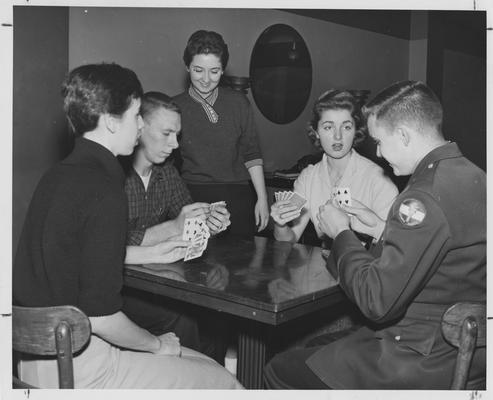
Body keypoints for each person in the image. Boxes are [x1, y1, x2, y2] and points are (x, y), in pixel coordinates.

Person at [13, 63, 242, 389]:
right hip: (81, 368)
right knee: (224, 381)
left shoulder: (57, 176)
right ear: (109, 120)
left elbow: (76, 259)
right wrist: (157, 345)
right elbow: (102, 317)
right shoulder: (105, 187)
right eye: (136, 115)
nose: (139, 126)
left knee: (198, 360)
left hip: (30, 362)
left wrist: (158, 253)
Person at [264, 81, 486, 389]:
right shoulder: (476, 176)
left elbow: (377, 303)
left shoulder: (422, 197)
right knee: (318, 347)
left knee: (281, 368)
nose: (379, 153)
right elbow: (444, 247)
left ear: (404, 136)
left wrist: (341, 232)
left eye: (380, 141)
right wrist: (380, 227)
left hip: (418, 358)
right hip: (467, 353)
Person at [122, 91, 231, 362]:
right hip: (118, 289)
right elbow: (113, 243)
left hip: (158, 282)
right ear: (139, 128)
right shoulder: (113, 175)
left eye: (177, 136)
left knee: (216, 312)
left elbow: (188, 217)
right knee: (184, 316)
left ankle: (211, 380)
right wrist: (174, 226)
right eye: (166, 133)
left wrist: (209, 222)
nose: (174, 144)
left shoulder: (166, 171)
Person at [173, 30, 269, 237]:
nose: (206, 79)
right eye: (198, 70)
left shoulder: (239, 103)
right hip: (191, 197)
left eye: (214, 71)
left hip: (238, 196)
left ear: (223, 70)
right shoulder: (174, 107)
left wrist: (262, 199)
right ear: (187, 67)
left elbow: (251, 154)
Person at [270, 89, 398, 244]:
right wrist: (280, 224)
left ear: (356, 130)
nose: (338, 137)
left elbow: (394, 246)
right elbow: (290, 239)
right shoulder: (307, 178)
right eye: (328, 127)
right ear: (316, 132)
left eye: (346, 127)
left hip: (366, 264)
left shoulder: (379, 180)